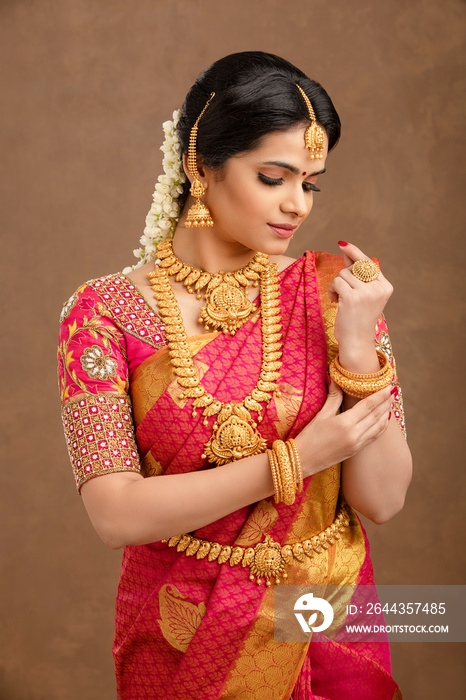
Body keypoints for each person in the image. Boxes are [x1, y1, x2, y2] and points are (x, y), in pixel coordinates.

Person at [58, 51, 412, 700]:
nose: (296, 204)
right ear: (199, 164)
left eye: (310, 183)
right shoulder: (105, 312)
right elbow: (116, 514)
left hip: (327, 619)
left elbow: (384, 501)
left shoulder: (338, 294)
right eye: (273, 177)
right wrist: (299, 460)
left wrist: (359, 348)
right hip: (180, 631)